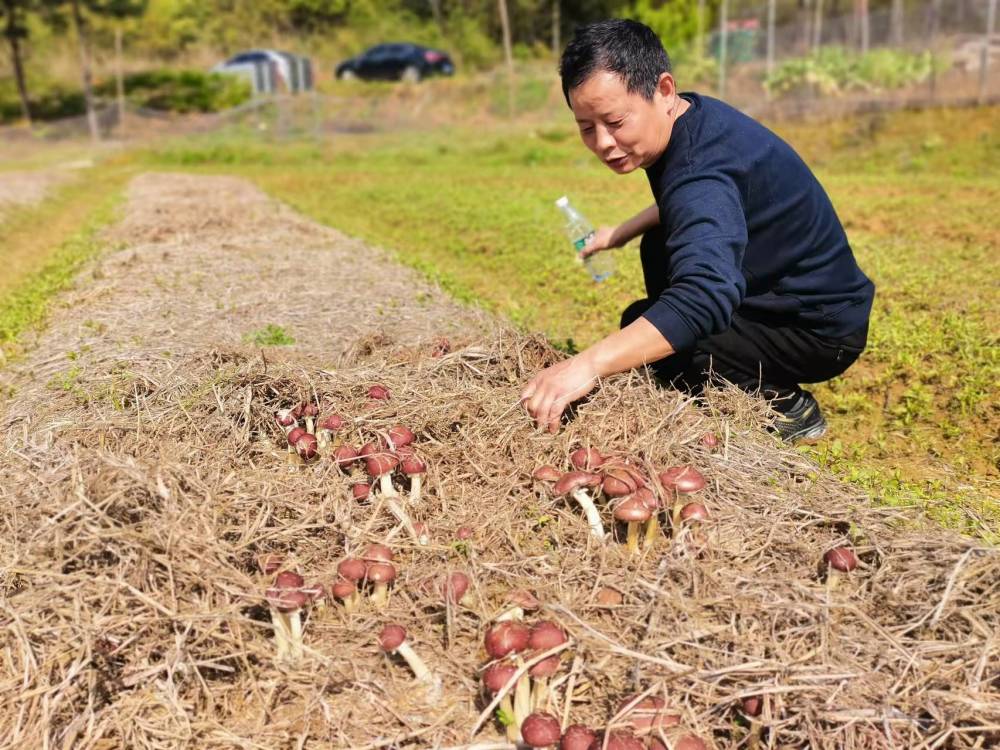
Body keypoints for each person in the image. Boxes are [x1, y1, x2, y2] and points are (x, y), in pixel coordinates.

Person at [521, 19, 874, 442]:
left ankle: (786, 407)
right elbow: (691, 199)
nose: (603, 143)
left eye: (615, 121)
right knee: (656, 266)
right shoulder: (693, 120)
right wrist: (619, 231)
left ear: (663, 91)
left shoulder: (700, 172)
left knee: (669, 337)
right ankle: (717, 364)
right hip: (801, 302)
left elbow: (704, 293)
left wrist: (587, 364)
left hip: (817, 330)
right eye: (586, 128)